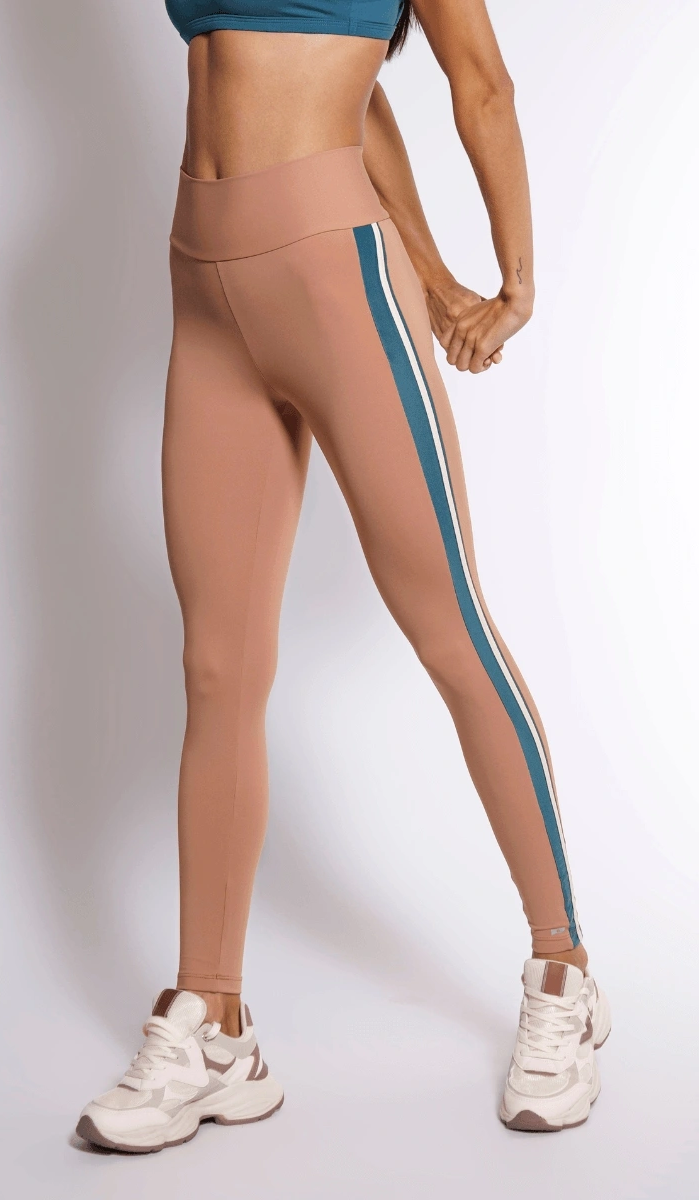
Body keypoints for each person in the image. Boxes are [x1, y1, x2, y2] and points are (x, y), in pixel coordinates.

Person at [76, 0, 611, 1150]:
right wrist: (437, 267)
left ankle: (562, 968)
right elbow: (349, 95)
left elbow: (480, 80)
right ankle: (214, 1025)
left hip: (333, 281)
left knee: (449, 631)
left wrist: (508, 282)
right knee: (217, 669)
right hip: (202, 285)